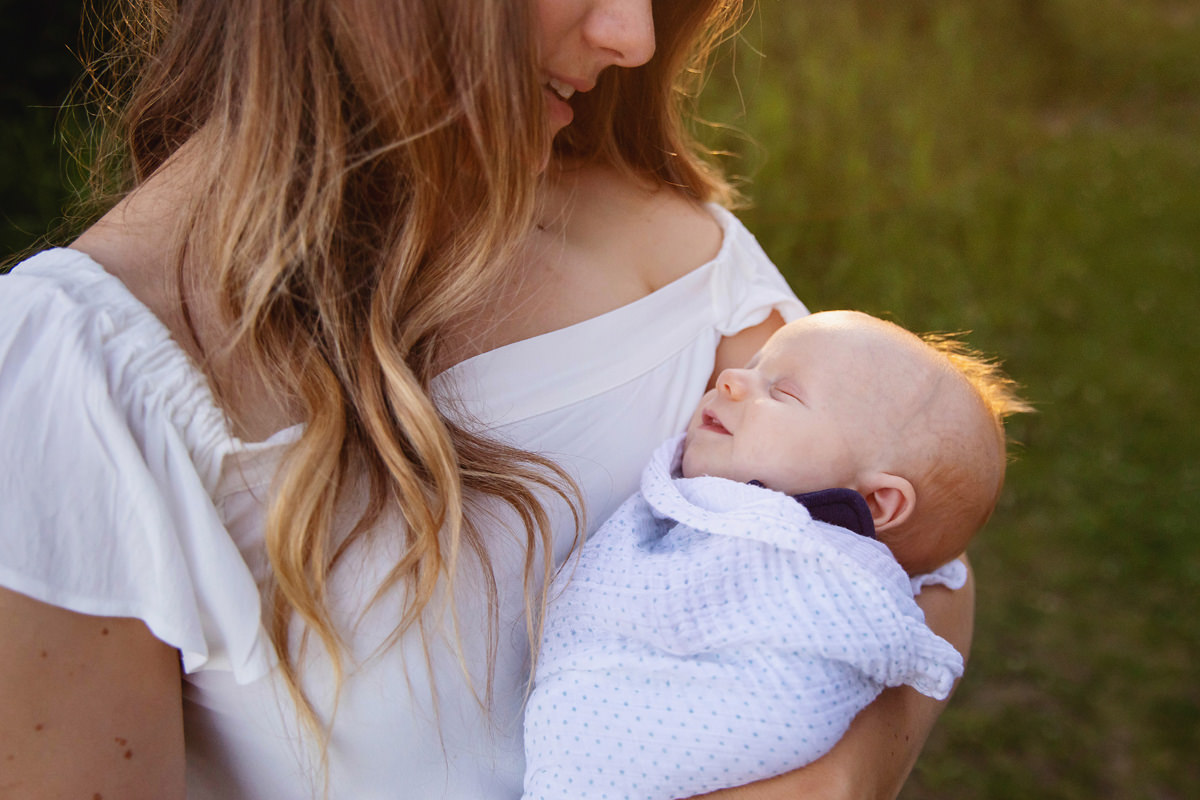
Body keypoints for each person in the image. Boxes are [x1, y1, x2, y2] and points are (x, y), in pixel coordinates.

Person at [0, 1, 973, 798]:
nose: (632, 37)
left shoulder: (669, 249)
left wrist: (844, 774)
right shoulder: (79, 380)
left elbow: (926, 560)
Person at [523, 311, 1031, 799]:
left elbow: (783, 698)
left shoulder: (837, 593)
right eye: (753, 365)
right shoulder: (715, 514)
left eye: (781, 390)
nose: (730, 379)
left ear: (876, 502)